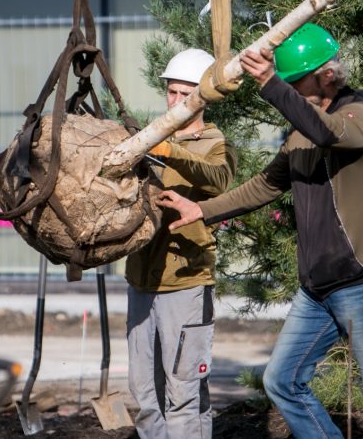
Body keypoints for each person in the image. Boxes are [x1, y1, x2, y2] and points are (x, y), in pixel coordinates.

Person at [157, 25, 363, 439]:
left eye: (295, 82)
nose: (290, 91)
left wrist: (268, 81)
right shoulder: (300, 130)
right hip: (317, 289)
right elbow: (265, 184)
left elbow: (328, 132)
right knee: (282, 382)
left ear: (327, 74)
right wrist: (201, 209)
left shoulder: (360, 116)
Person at [125, 47, 237, 439]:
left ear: (202, 97)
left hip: (186, 282)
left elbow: (218, 179)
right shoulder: (151, 137)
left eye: (185, 94)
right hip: (141, 280)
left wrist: (168, 150)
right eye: (171, 93)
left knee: (184, 391)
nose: (176, 102)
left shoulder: (213, 142)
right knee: (143, 394)